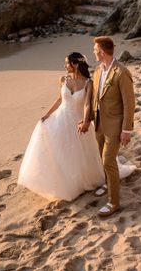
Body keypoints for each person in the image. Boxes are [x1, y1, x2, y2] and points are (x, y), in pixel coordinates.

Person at [17, 52, 105, 201]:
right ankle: (63, 181)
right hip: (61, 118)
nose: (65, 66)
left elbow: (88, 104)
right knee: (61, 151)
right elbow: (59, 99)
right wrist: (47, 115)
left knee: (79, 152)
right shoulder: (63, 79)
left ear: (75, 65)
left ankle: (80, 181)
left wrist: (85, 121)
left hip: (77, 120)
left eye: (67, 63)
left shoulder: (88, 82)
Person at [84, 36, 135, 218]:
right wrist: (88, 119)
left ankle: (113, 202)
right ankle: (108, 183)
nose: (93, 52)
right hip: (99, 125)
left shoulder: (121, 73)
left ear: (102, 52)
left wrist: (126, 130)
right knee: (102, 159)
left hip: (115, 126)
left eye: (95, 50)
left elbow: (129, 104)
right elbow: (94, 99)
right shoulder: (98, 72)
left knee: (108, 161)